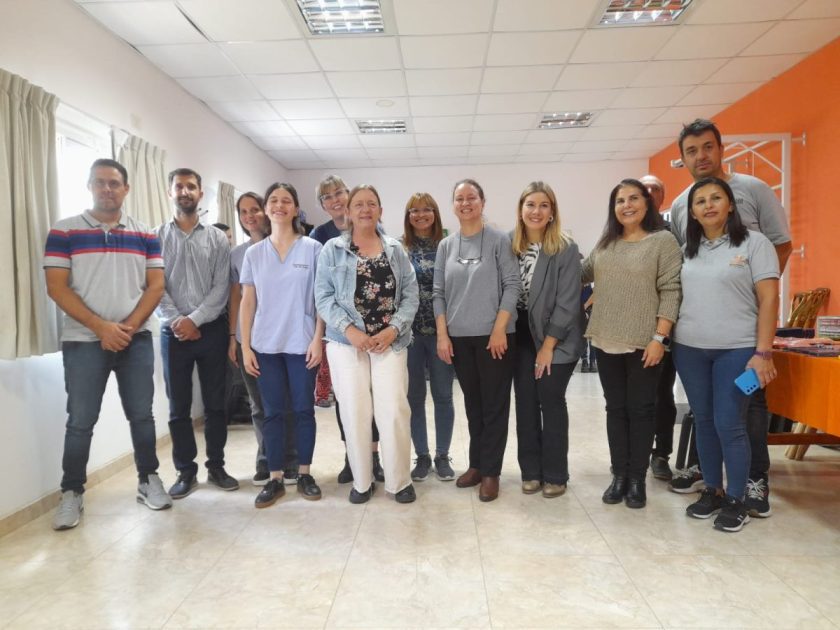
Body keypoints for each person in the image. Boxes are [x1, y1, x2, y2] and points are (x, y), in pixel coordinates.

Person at [669, 119, 792, 518]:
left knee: (731, 421)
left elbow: (769, 297)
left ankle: (740, 495)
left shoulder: (755, 242)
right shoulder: (687, 249)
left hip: (739, 348)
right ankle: (714, 489)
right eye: (700, 202)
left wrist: (763, 351)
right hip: (690, 349)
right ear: (691, 212)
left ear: (731, 204)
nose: (708, 205)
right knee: (704, 420)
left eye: (715, 199)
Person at [44, 158, 171, 530]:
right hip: (84, 341)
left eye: (114, 183)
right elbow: (56, 287)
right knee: (81, 421)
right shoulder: (64, 231)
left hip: (136, 339)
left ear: (126, 188)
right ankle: (72, 493)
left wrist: (126, 328)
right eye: (99, 182)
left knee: (142, 415)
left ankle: (148, 480)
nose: (107, 189)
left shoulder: (145, 234)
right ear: (89, 186)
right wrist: (101, 328)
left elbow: (156, 286)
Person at [315, 184, 419, 504]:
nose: (365, 209)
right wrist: (350, 332)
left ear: (380, 210)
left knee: (394, 411)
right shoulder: (332, 249)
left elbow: (411, 295)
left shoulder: (395, 249)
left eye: (371, 203)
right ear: (348, 211)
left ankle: (399, 481)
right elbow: (323, 297)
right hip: (346, 344)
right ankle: (362, 481)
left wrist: (393, 329)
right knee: (355, 412)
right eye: (358, 204)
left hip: (390, 343)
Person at [582, 178, 682, 509]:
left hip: (644, 343)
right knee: (615, 409)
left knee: (641, 411)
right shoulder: (606, 243)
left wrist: (659, 338)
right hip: (605, 339)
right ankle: (619, 476)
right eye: (620, 200)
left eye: (633, 198)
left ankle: (637, 479)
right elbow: (581, 272)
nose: (627, 205)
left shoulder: (662, 241)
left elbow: (671, 290)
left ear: (647, 203)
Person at [434, 178, 520, 503]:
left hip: (495, 338)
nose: (466, 203)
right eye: (459, 198)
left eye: (472, 197)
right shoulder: (446, 246)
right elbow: (438, 293)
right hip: (459, 338)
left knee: (495, 406)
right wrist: (442, 335)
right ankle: (476, 465)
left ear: (483, 202)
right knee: (474, 405)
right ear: (453, 205)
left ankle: (491, 472)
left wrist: (499, 329)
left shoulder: (499, 240)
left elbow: (512, 285)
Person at [240, 183, 325, 508]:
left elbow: (321, 298)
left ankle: (304, 474)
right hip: (265, 346)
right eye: (273, 200)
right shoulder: (254, 254)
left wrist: (317, 339)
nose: (279, 205)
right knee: (272, 413)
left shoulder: (312, 248)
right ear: (266, 208)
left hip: (302, 344)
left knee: (303, 410)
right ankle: (275, 478)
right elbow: (248, 303)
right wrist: (246, 347)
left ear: (295, 208)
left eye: (286, 200)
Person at [156, 168, 236, 499]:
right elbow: (154, 286)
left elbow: (221, 287)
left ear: (201, 193)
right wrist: (179, 321)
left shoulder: (217, 238)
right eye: (179, 186)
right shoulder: (156, 238)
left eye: (191, 186)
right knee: (179, 406)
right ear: (170, 192)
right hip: (173, 333)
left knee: (216, 403)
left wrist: (196, 320)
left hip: (212, 330)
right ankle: (185, 471)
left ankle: (216, 466)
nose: (185, 191)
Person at [511, 182, 585, 498]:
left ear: (552, 211)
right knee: (526, 402)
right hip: (521, 334)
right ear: (521, 210)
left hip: (557, 335)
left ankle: (555, 474)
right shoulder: (510, 244)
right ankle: (531, 471)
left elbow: (568, 303)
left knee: (550, 398)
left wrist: (548, 346)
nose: (536, 211)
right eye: (530, 204)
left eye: (544, 205)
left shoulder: (564, 247)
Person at [311, 175, 385, 484]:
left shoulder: (376, 229)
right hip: (340, 334)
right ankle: (351, 456)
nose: (335, 200)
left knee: (374, 396)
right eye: (327, 197)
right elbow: (321, 290)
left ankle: (374, 456)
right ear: (323, 205)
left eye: (339, 192)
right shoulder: (320, 237)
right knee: (347, 398)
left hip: (376, 334)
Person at [227, 193, 298, 486]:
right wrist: (234, 337)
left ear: (266, 211)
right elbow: (237, 298)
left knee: (286, 403)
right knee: (259, 405)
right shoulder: (238, 254)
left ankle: (290, 460)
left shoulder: (288, 245)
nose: (250, 216)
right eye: (243, 212)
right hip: (249, 339)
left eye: (254, 209)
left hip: (283, 338)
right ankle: (266, 459)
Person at [401, 192, 456, 482]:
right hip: (408, 337)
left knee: (443, 396)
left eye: (426, 209)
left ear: (435, 213)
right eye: (414, 210)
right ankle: (421, 456)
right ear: (407, 216)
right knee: (414, 398)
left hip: (441, 334)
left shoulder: (447, 246)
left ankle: (442, 455)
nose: (420, 215)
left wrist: (445, 333)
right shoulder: (399, 247)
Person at [640, 174, 678, 482]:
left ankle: (661, 454)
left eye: (656, 189)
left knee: (662, 394)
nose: (650, 193)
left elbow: (673, 285)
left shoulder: (673, 234)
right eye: (645, 189)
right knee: (631, 398)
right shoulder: (622, 233)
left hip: (665, 330)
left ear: (662, 197)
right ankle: (632, 454)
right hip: (631, 328)